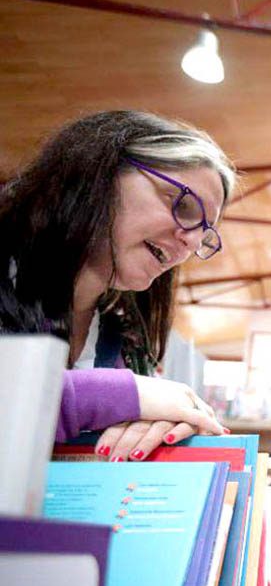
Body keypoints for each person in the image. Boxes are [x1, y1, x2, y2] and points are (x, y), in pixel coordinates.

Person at [0, 110, 235, 460]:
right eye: (184, 205)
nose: (190, 241)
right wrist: (121, 396)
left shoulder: (124, 343)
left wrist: (159, 431)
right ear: (102, 175)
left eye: (204, 234)